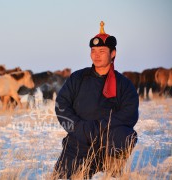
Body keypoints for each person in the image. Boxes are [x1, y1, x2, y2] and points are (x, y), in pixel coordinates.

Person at [53, 21, 139, 179]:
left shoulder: (124, 84)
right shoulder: (78, 78)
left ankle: (112, 172)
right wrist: (78, 128)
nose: (96, 55)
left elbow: (129, 114)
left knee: (125, 135)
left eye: (102, 51)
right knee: (62, 177)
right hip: (79, 138)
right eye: (93, 51)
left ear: (113, 53)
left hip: (108, 140)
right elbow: (61, 105)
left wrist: (99, 127)